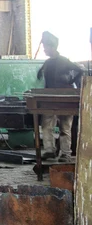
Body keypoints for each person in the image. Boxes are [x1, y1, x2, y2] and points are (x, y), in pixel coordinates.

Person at [37, 31, 83, 162]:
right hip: (49, 98)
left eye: (45, 47)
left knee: (65, 127)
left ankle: (65, 154)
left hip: (65, 98)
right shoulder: (47, 63)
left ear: (52, 47)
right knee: (46, 125)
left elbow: (80, 70)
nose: (44, 50)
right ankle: (50, 150)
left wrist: (69, 81)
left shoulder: (64, 61)